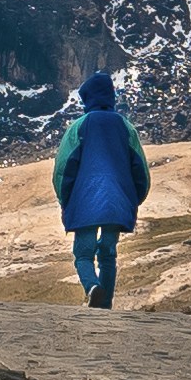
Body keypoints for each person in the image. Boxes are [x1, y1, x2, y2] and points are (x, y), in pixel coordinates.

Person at [49, 68, 150, 308]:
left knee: (83, 253)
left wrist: (65, 199)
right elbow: (140, 169)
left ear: (87, 99)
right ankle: (105, 306)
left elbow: (64, 167)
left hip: (84, 201)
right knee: (108, 253)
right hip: (118, 201)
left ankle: (93, 288)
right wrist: (134, 198)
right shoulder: (126, 127)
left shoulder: (79, 127)